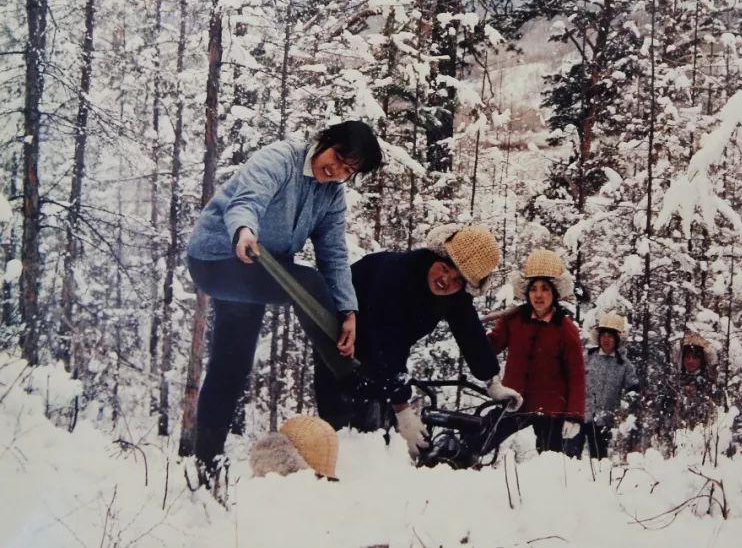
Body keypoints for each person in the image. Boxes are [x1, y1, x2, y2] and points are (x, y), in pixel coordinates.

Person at [185, 120, 382, 481]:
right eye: (337, 159)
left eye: (348, 171)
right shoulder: (280, 159)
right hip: (216, 257)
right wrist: (244, 230)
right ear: (324, 141)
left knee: (232, 363)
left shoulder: (332, 196)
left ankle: (205, 461)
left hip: (259, 267)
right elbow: (247, 200)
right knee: (310, 283)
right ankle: (350, 380)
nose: (337, 172)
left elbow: (334, 254)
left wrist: (348, 310)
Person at [313, 224, 523, 457]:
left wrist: (492, 382)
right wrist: (403, 409)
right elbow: (387, 340)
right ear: (436, 257)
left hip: (381, 358)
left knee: (380, 432)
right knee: (346, 434)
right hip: (339, 341)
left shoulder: (454, 295)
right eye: (444, 268)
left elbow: (470, 332)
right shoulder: (396, 274)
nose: (446, 280)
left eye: (457, 280)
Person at [476, 249, 586, 457]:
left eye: (545, 289)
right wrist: (474, 334)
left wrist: (574, 416)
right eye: (533, 289)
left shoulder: (566, 330)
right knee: (479, 438)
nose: (538, 295)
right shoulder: (512, 321)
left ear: (554, 294)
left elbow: (576, 377)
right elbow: (491, 347)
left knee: (549, 459)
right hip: (514, 401)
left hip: (551, 408)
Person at [571, 311, 637, 460]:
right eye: (603, 335)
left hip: (604, 420)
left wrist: (625, 409)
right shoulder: (587, 357)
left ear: (617, 339)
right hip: (580, 416)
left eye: (610, 336)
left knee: (599, 461)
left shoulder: (624, 364)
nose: (606, 339)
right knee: (572, 457)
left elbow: (633, 389)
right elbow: (573, 380)